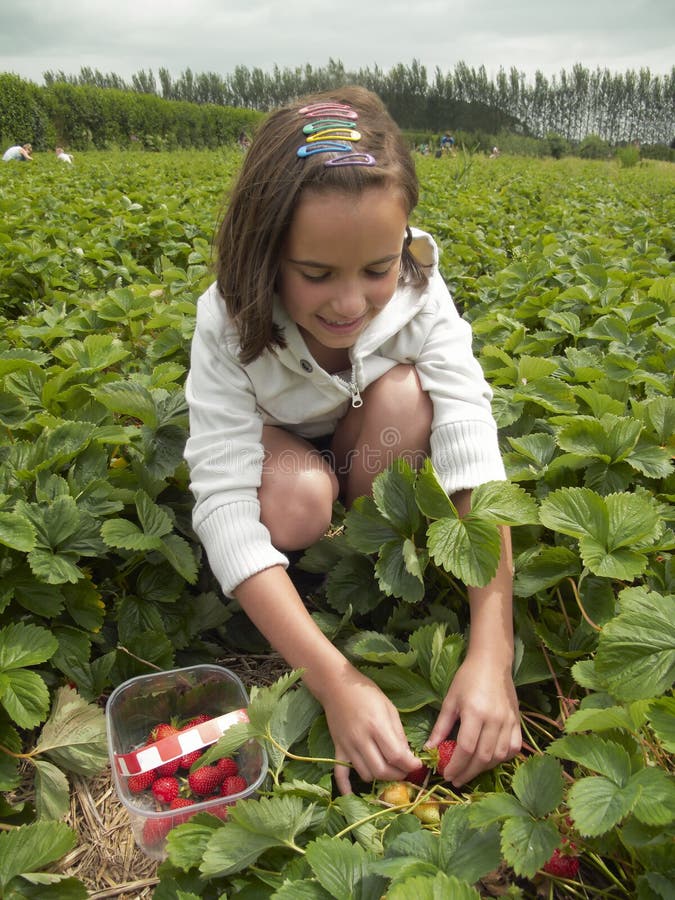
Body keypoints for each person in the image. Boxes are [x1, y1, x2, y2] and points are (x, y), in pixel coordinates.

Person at [184, 86, 521, 795]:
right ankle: (316, 541)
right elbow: (221, 504)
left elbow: (470, 448)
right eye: (314, 275)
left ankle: (363, 526)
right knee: (299, 503)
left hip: (371, 437)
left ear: (403, 242)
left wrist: (491, 652)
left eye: (376, 269)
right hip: (288, 454)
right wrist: (333, 678)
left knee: (405, 395)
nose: (347, 304)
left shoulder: (421, 292)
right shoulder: (225, 319)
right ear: (265, 250)